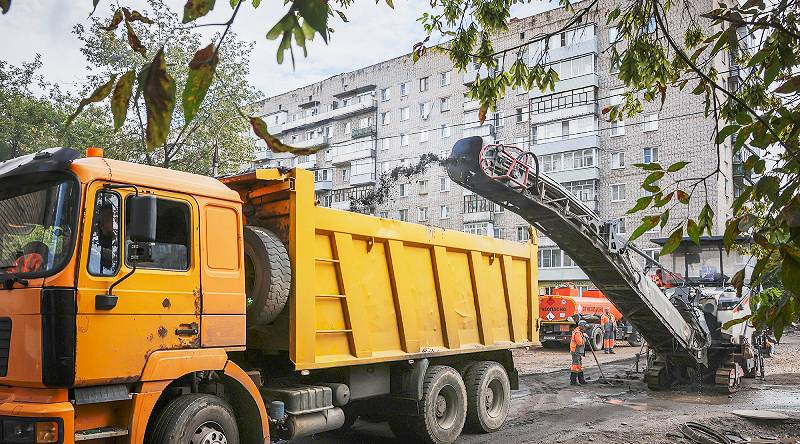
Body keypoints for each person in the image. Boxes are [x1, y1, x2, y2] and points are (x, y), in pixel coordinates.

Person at [570, 320, 588, 386]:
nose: (585, 328)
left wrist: (583, 335)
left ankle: (581, 380)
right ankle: (573, 381)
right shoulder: (577, 333)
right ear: (581, 326)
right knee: (575, 366)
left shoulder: (579, 332)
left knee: (579, 365)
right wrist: (585, 338)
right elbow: (580, 343)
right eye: (584, 327)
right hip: (576, 351)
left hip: (578, 351)